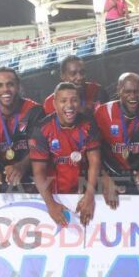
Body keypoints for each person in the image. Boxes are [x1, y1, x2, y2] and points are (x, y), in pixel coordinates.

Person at [28, 82, 102, 227]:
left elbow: (95, 162)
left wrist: (89, 195)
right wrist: (51, 204)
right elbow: (38, 171)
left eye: (74, 100)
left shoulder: (89, 124)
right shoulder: (42, 129)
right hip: (54, 194)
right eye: (63, 101)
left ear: (79, 102)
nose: (69, 105)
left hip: (82, 191)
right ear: (55, 103)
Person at [94, 73, 139, 207]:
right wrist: (105, 179)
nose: (133, 96)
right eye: (127, 91)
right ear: (119, 91)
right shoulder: (102, 112)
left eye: (137, 92)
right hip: (112, 177)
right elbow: (92, 152)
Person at [0, 67, 43, 194]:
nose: (5, 89)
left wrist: (22, 166)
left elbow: (38, 147)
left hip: (30, 176)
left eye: (10, 84)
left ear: (18, 86)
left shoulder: (34, 110)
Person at [43, 55, 109, 115]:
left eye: (82, 72)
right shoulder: (50, 103)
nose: (79, 77)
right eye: (73, 74)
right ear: (63, 76)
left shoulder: (97, 91)